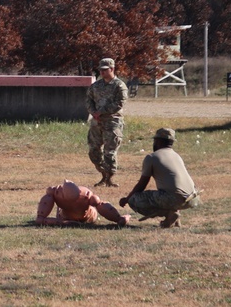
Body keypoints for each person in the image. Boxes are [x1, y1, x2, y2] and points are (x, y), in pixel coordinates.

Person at [119, 128, 199, 228]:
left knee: (134, 199)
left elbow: (142, 184)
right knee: (171, 191)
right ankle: (175, 219)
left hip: (174, 198)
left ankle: (168, 214)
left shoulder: (152, 157)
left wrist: (127, 199)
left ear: (158, 141)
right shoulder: (176, 155)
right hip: (193, 198)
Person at [86, 57, 128, 188]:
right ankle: (103, 173)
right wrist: (93, 112)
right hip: (97, 122)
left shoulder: (119, 85)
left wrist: (102, 111)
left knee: (110, 152)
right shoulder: (96, 86)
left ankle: (109, 178)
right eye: (101, 70)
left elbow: (120, 103)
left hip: (112, 121)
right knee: (93, 150)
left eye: (105, 70)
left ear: (112, 69)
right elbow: (89, 100)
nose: (102, 72)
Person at [35, 179, 131, 226]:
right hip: (65, 216)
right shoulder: (56, 193)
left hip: (87, 215)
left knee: (97, 203)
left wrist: (119, 219)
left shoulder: (85, 196)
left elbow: (100, 204)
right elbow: (47, 199)